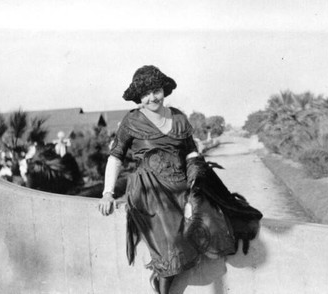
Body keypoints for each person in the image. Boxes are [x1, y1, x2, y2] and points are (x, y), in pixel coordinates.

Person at [98, 65, 262, 294]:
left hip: (181, 184)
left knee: (212, 224)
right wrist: (108, 192)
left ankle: (163, 281)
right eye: (145, 94)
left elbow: (192, 152)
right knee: (171, 246)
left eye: (155, 90)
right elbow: (115, 157)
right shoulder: (131, 121)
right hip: (149, 190)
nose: (151, 98)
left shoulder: (178, 118)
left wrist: (195, 174)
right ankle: (162, 287)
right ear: (138, 98)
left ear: (163, 90)